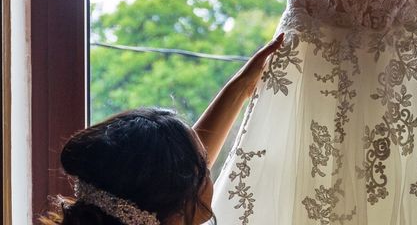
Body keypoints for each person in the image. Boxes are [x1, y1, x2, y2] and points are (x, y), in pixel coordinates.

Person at [38, 32, 285, 225]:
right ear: (177, 206)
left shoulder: (150, 206)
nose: (208, 164)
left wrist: (241, 87)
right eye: (203, 169)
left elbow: (176, 172)